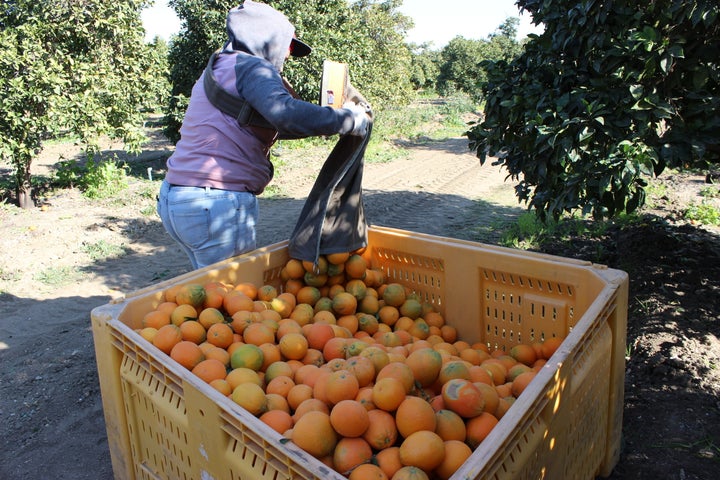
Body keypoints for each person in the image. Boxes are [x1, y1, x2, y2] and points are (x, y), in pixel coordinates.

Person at [157, 0, 370, 270]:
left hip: (179, 199)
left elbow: (267, 123)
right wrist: (349, 120)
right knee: (234, 297)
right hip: (214, 203)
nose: (289, 55)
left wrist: (325, 123)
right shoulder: (252, 68)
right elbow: (286, 114)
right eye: (289, 45)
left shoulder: (222, 67)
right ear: (267, 38)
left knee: (211, 294)